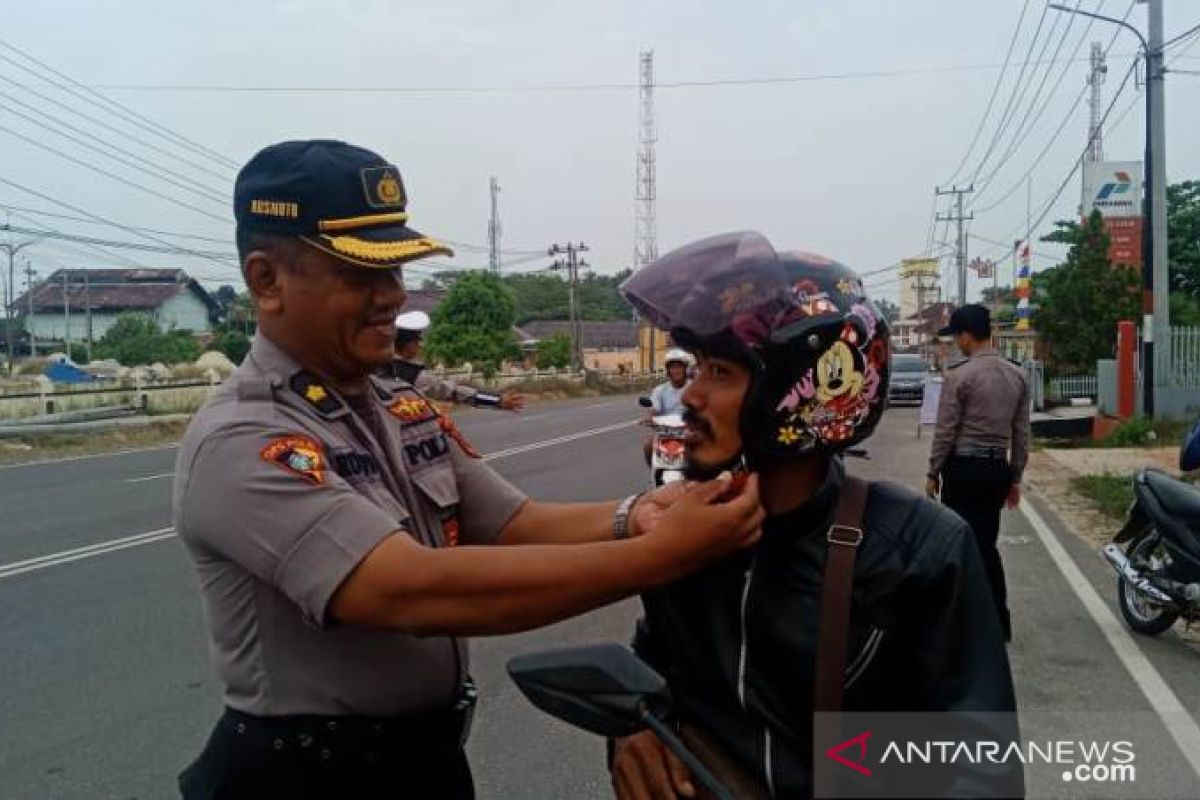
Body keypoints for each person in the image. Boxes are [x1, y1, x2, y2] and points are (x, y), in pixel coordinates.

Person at [172, 140, 765, 800]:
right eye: (359, 274)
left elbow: (511, 523)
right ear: (265, 280)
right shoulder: (243, 436)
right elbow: (410, 590)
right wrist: (665, 555)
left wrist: (635, 517)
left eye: (396, 270)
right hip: (305, 780)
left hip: (425, 766)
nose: (391, 296)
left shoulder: (399, 405)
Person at [611, 232, 1019, 799]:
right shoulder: (687, 537)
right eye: (697, 369)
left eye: (721, 373)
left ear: (794, 391)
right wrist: (633, 730)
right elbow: (649, 673)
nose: (692, 397)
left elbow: (979, 765)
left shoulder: (917, 549)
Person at [926, 303, 1030, 643]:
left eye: (957, 335)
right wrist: (1014, 477)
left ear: (967, 334)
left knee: (960, 543)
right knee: (986, 543)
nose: (957, 342)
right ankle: (999, 621)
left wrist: (933, 472)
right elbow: (1021, 434)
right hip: (996, 468)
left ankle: (963, 622)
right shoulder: (1017, 375)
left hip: (964, 469)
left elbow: (946, 430)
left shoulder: (960, 376)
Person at [387, 310, 525, 411]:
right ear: (408, 345)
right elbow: (453, 392)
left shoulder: (373, 367)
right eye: (418, 341)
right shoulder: (411, 375)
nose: (420, 346)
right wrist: (497, 401)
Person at [643, 348, 693, 463]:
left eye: (679, 367)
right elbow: (654, 409)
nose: (676, 371)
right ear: (668, 370)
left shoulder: (694, 388)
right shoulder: (660, 390)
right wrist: (649, 418)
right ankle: (654, 477)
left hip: (689, 432)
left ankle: (701, 478)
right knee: (648, 447)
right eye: (672, 367)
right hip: (665, 433)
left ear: (686, 369)